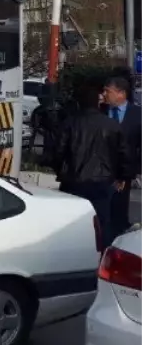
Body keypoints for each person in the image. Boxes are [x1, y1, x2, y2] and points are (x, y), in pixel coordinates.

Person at [53, 80, 129, 246]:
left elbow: (58, 152)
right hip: (102, 182)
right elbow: (123, 154)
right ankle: (101, 256)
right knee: (102, 221)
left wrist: (61, 171)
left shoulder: (69, 123)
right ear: (97, 102)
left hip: (73, 181)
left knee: (70, 223)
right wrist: (122, 176)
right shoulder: (111, 125)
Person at [102, 75, 142, 239]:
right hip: (100, 172)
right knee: (103, 215)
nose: (104, 94)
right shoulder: (100, 112)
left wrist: (135, 171)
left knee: (119, 215)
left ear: (121, 93)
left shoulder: (138, 114)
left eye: (107, 91)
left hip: (124, 174)